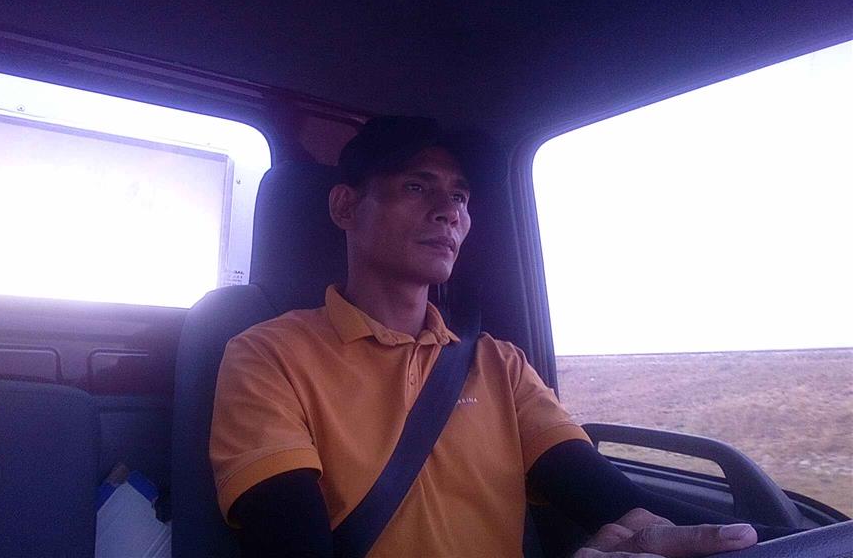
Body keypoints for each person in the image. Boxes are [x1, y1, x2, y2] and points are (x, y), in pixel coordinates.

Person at [209, 116, 764, 557]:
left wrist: (669, 531)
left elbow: (595, 488)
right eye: (416, 186)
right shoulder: (267, 356)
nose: (448, 212)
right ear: (346, 205)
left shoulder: (499, 363)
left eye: (460, 197)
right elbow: (289, 541)